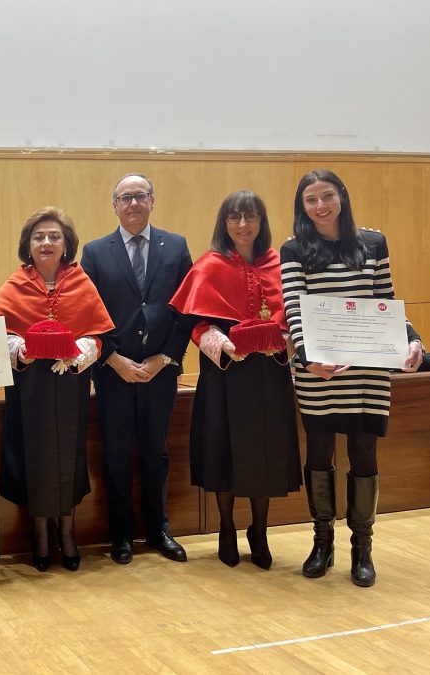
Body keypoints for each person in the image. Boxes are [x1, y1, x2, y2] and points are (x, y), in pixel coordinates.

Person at [281, 169, 423, 587]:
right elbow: (294, 309)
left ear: (341, 196)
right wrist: (308, 360)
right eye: (311, 199)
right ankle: (322, 543)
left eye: (328, 195)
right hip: (320, 372)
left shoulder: (373, 243)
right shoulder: (294, 249)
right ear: (302, 206)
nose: (320, 205)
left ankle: (363, 549)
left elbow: (385, 300)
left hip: (368, 369)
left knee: (364, 454)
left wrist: (411, 339)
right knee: (320, 454)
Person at [169, 191, 302, 569]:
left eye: (250, 216)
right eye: (234, 217)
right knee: (222, 449)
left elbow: (295, 315)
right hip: (225, 372)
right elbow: (194, 323)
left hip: (269, 374)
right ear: (223, 223)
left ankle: (259, 530)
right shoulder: (209, 265)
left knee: (266, 452)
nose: (242, 225)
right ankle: (226, 527)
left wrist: (285, 339)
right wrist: (222, 344)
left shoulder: (281, 263)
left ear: (261, 221)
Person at [80, 173, 193, 565]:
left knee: (154, 452)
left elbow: (186, 312)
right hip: (114, 372)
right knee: (114, 454)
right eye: (125, 197)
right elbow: (88, 315)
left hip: (160, 371)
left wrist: (165, 359)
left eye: (140, 196)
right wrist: (113, 359)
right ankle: (122, 533)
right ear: (114, 205)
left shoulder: (176, 247)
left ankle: (158, 528)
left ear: (152, 201)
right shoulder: (95, 252)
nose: (133, 203)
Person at [0, 207, 114, 571]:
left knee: (69, 456)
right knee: (34, 455)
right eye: (38, 237)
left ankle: (67, 530)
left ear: (66, 245)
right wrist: (20, 347)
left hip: (70, 385)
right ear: (27, 245)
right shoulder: (14, 284)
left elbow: (98, 334)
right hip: (29, 387)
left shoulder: (81, 281)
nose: (46, 243)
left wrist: (83, 350)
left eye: (54, 237)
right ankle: (40, 533)